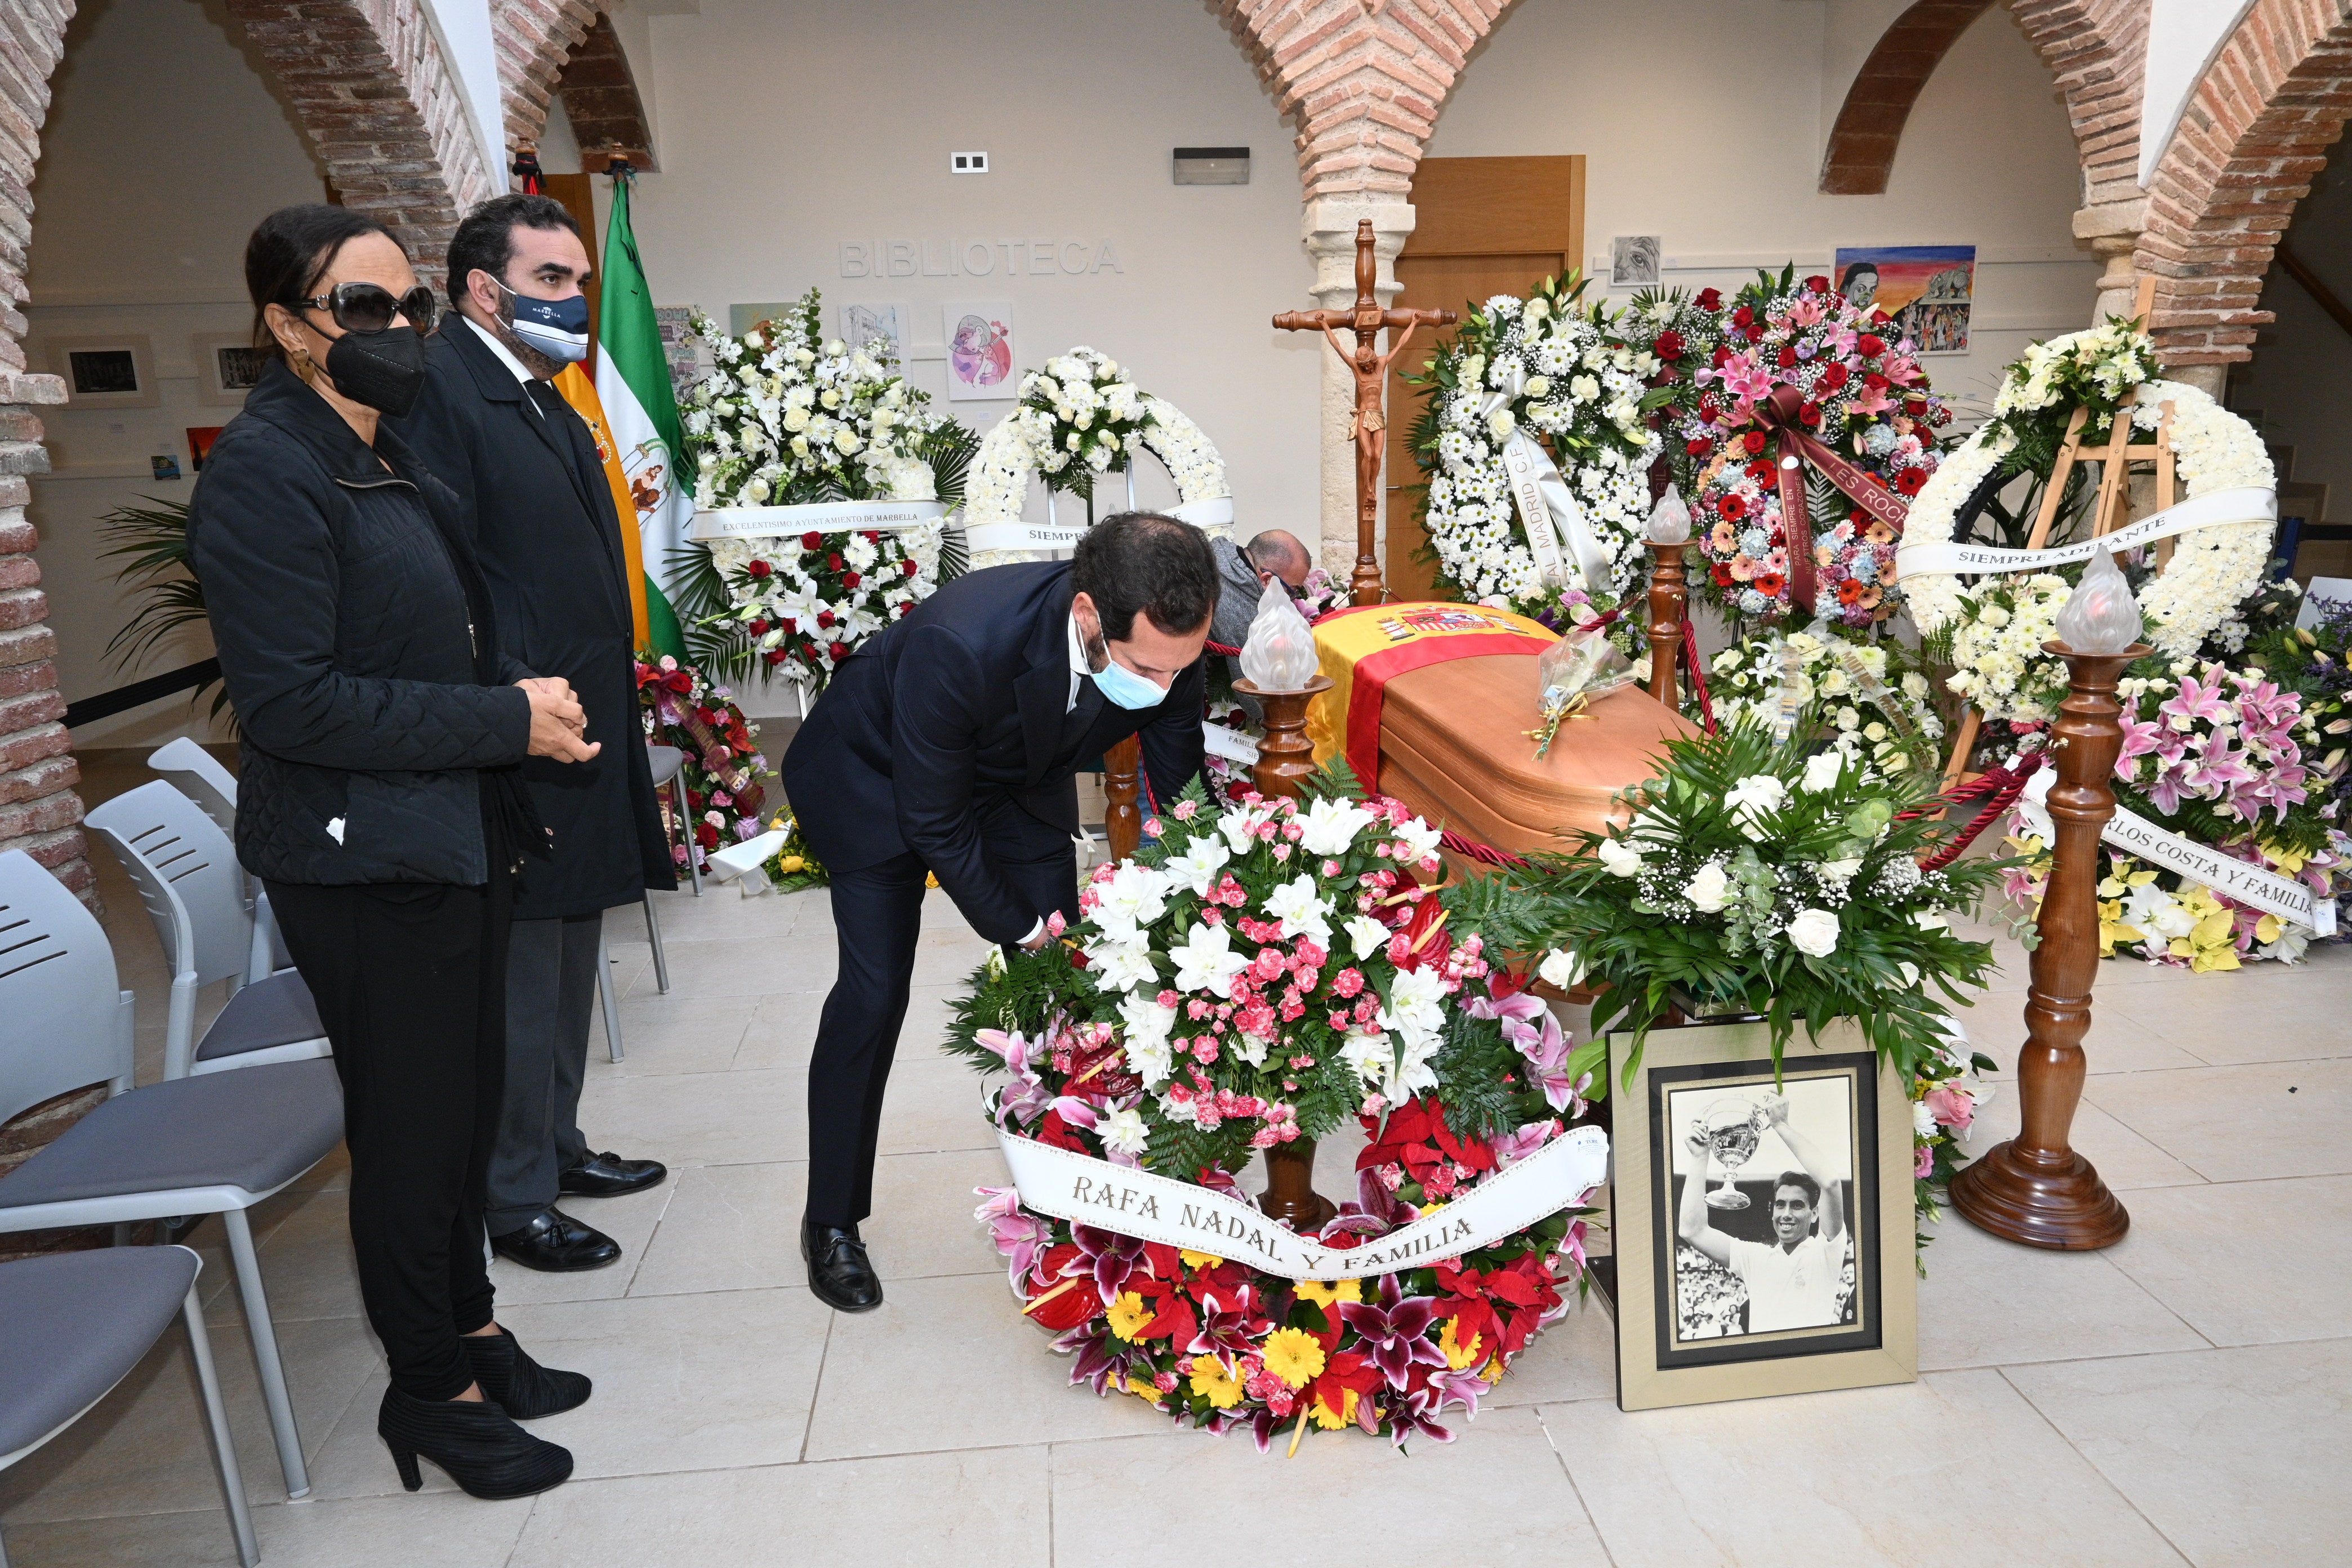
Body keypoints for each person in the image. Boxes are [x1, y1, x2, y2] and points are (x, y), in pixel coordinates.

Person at [190, 203, 600, 1499]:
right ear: (283, 324)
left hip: (446, 829)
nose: (393, 331)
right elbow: (294, 701)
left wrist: (513, 690)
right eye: (356, 308)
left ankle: (471, 1323)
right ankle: (431, 1389)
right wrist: (503, 717)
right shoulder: (266, 468)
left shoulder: (382, 441)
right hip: (363, 859)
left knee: (464, 1105)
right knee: (413, 1131)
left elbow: (424, 631)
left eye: (405, 304)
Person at [784, 513, 1215, 1310]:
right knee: (874, 994)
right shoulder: (963, 640)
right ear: (1088, 615)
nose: (1163, 687)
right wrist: (1020, 926)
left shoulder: (1167, 639)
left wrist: (1211, 884)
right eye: (1147, 669)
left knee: (1064, 988)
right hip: (877, 783)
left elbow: (1181, 779)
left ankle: (1087, 1192)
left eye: (1178, 670)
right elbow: (934, 822)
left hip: (1015, 776)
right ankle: (831, 1220)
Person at [389, 194, 674, 1274]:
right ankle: (512, 1198)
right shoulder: (443, 392)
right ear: (481, 289)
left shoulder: (546, 389)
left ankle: (555, 1144)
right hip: (522, 724)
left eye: (577, 283)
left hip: (580, 713)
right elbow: (449, 575)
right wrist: (515, 697)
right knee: (521, 969)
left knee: (568, 952)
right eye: (551, 282)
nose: (573, 303)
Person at [1677, 1093, 1847, 1333]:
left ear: (1815, 1213)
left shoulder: (1826, 1251)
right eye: (1780, 1205)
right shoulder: (1754, 1257)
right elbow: (1692, 1230)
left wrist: (1780, 1125)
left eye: (1797, 1205)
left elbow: (1830, 1182)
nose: (1786, 1213)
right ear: (1772, 1211)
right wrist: (1699, 1158)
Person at [1208, 529, 1312, 722]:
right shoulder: (1247, 618)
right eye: (1292, 591)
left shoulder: (1216, 552)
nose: (1293, 600)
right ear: (1266, 580)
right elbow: (1259, 706)